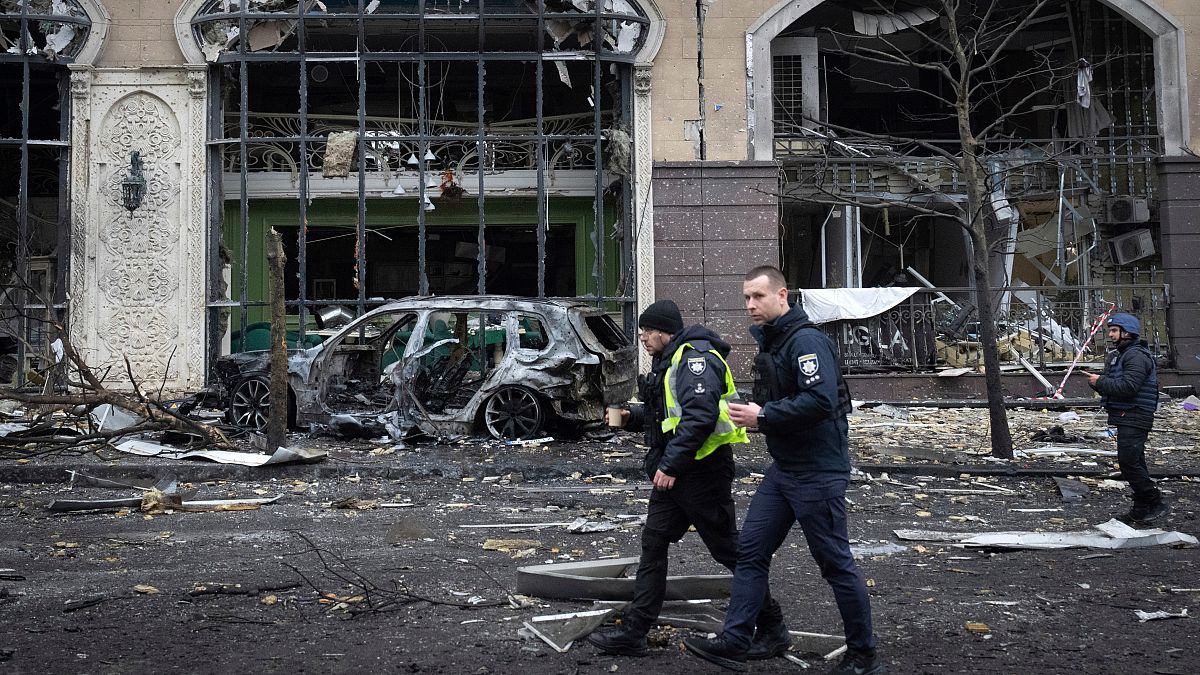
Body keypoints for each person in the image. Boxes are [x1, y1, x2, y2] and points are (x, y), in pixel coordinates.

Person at [683, 266, 883, 674]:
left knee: (834, 563)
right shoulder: (776, 343)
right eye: (746, 298)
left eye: (758, 296)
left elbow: (821, 401)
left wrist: (763, 417)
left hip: (818, 472)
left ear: (782, 295)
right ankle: (740, 639)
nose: (751, 305)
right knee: (750, 552)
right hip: (785, 470)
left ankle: (863, 656)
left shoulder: (805, 341)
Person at [587, 299, 785, 658]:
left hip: (701, 472)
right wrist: (628, 416)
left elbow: (699, 418)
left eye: (647, 331)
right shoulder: (670, 359)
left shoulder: (696, 358)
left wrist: (671, 466)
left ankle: (772, 627)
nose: (643, 337)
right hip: (676, 471)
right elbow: (668, 415)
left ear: (665, 331)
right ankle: (636, 630)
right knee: (654, 543)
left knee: (729, 551)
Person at [1086, 312, 1168, 524]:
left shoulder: (1136, 356)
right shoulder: (1122, 355)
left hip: (1135, 412)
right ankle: (1141, 509)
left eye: (1114, 331)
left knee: (1129, 462)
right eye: (1110, 331)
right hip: (1127, 414)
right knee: (1135, 461)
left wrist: (1100, 382)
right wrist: (1098, 383)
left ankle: (1154, 500)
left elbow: (1129, 387)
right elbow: (1118, 383)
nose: (1111, 335)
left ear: (1127, 332)